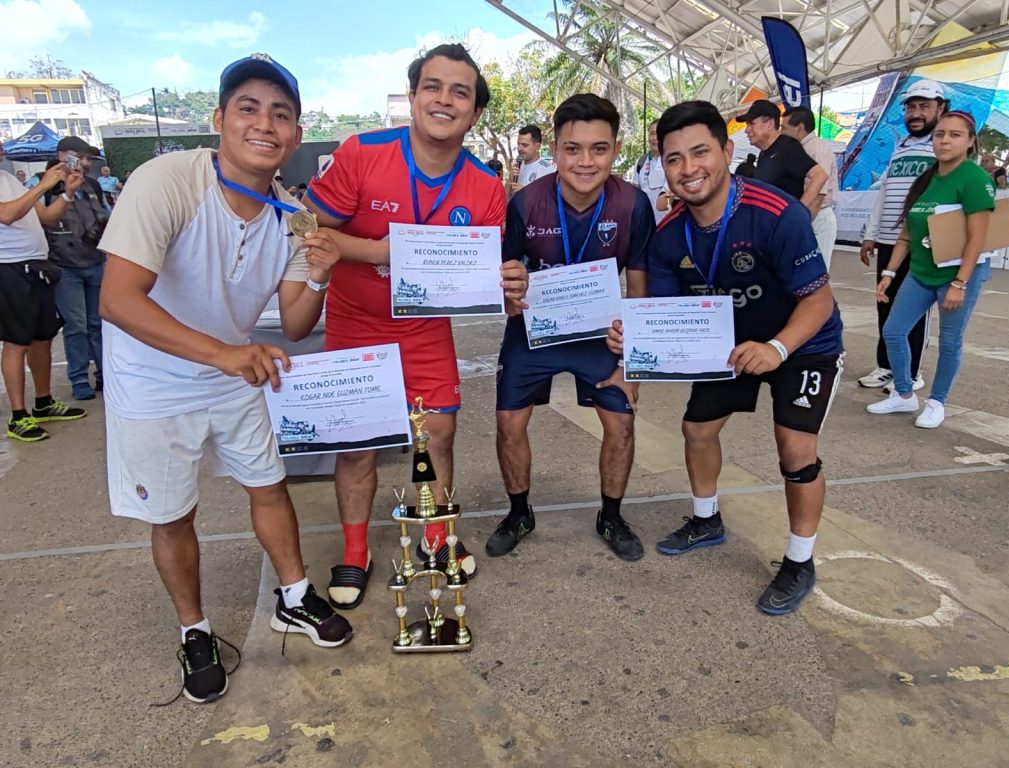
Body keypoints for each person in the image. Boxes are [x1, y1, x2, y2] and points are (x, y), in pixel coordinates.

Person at [97, 53, 353, 705]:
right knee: (172, 513)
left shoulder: (293, 216)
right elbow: (118, 300)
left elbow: (295, 322)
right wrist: (221, 354)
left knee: (269, 484)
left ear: (296, 134)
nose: (264, 124)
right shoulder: (166, 181)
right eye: (248, 108)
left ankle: (294, 594)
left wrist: (320, 274)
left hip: (232, 367)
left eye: (281, 114)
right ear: (218, 119)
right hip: (152, 378)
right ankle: (195, 630)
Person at [302, 44, 527, 609]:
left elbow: (476, 276)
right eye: (433, 86)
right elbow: (307, 225)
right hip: (355, 323)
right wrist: (381, 250)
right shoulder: (363, 152)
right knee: (357, 446)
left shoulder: (485, 187)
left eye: (460, 92)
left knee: (439, 436)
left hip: (425, 331)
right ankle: (356, 551)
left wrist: (508, 284)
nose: (444, 100)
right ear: (412, 96)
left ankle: (435, 537)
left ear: (475, 112)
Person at [607, 101, 843, 614]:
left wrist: (777, 348)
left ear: (727, 151)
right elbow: (664, 314)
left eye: (700, 152)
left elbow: (819, 300)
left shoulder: (776, 213)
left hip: (803, 342)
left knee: (795, 450)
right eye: (674, 158)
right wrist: (633, 337)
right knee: (697, 429)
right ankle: (706, 518)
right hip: (728, 346)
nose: (688, 168)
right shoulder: (670, 235)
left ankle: (800, 560)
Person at [487, 94, 654, 562]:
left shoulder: (634, 203)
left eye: (598, 149)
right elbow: (505, 275)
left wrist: (631, 360)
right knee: (508, 422)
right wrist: (509, 293)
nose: (585, 161)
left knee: (621, 421)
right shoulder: (526, 203)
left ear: (615, 149)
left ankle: (611, 516)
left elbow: (639, 285)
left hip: (599, 334)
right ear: (555, 150)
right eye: (573, 149)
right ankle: (519, 513)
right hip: (534, 328)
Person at [867, 111, 993, 429]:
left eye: (954, 135)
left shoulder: (975, 179)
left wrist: (960, 283)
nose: (945, 141)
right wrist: (889, 273)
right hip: (921, 271)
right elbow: (906, 235)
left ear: (970, 141)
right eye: (940, 134)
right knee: (894, 331)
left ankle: (937, 402)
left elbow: (978, 238)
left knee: (949, 341)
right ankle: (904, 393)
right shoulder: (926, 179)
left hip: (958, 274)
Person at [858, 79, 947, 392]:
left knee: (914, 311)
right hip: (888, 241)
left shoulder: (942, 146)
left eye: (924, 106)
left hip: (922, 244)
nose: (916, 113)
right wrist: (870, 235)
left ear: (940, 109)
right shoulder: (901, 147)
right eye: (911, 107)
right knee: (885, 304)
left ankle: (910, 372)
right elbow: (884, 193)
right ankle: (887, 366)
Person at [0, 144, 88, 442]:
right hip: (9, 267)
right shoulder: (19, 184)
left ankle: (43, 401)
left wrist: (67, 193)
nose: (1, 147)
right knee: (16, 342)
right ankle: (18, 416)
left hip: (37, 265)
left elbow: (47, 216)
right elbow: (7, 214)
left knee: (43, 338)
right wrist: (43, 184)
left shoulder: (8, 180)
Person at [42, 136, 109, 400]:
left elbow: (106, 216)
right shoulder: (44, 185)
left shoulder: (92, 185)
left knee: (98, 323)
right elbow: (42, 220)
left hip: (95, 261)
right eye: (79, 157)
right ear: (62, 156)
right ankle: (79, 379)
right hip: (64, 265)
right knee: (76, 325)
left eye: (88, 158)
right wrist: (66, 192)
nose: (84, 163)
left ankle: (105, 374)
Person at [738, 100, 827, 207]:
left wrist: (799, 209)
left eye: (751, 124)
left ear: (770, 125)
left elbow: (819, 175)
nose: (746, 130)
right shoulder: (764, 153)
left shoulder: (787, 147)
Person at [781, 106, 839, 271]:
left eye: (784, 128)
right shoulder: (799, 149)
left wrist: (800, 226)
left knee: (815, 273)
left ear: (799, 127)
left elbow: (818, 196)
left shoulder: (817, 149)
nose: (781, 132)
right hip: (806, 215)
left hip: (816, 217)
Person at [632, 119, 669, 223]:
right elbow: (635, 193)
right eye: (652, 133)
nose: (655, 138)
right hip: (645, 223)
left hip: (667, 222)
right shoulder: (640, 162)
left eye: (659, 133)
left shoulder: (671, 161)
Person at [511, 124, 555, 193]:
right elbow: (508, 196)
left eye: (525, 145)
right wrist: (509, 181)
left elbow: (551, 197)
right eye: (518, 144)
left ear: (537, 147)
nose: (519, 148)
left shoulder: (548, 170)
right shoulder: (517, 168)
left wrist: (526, 192)